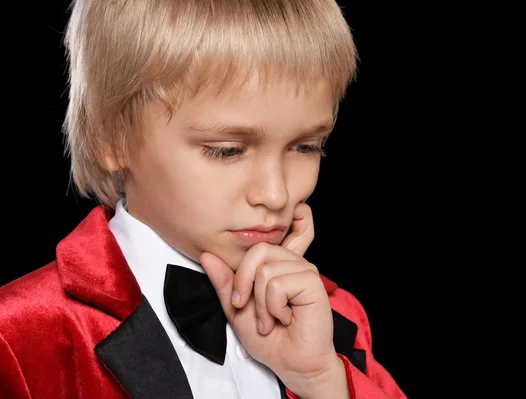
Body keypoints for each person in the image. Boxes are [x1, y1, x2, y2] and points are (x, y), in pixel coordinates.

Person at [0, 0, 407, 398]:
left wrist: (322, 381)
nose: (275, 194)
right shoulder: (18, 333)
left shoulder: (336, 317)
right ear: (112, 138)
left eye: (306, 147)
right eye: (227, 150)